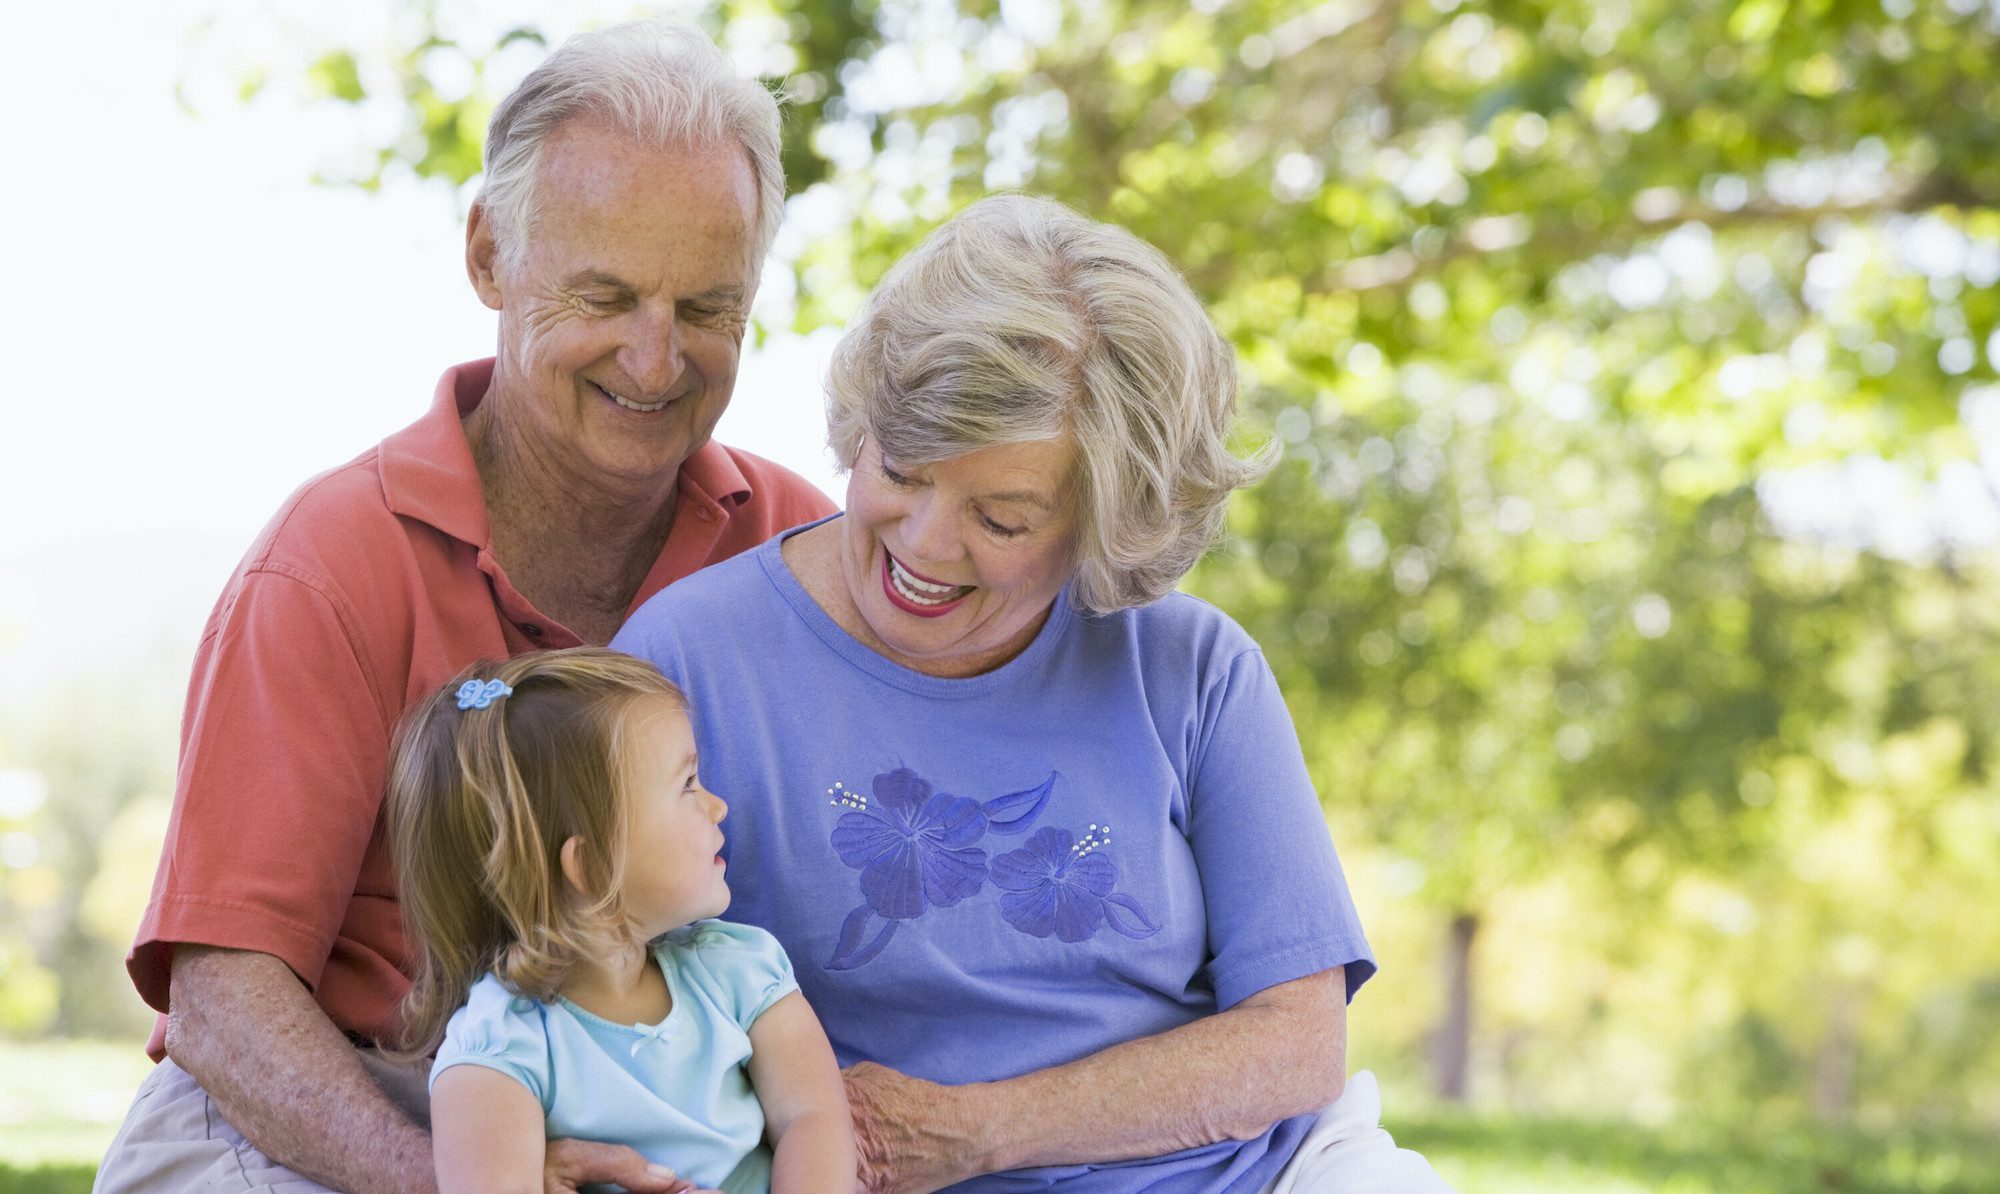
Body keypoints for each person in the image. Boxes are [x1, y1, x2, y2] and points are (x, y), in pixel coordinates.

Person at [95, 21, 834, 1193]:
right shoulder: (330, 564)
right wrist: (456, 1176)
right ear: (491, 256)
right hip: (349, 1106)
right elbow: (221, 994)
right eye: (604, 295)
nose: (655, 362)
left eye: (706, 307)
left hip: (678, 1105)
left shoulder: (800, 547)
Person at [611, 194, 1453, 1192]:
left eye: (1001, 517)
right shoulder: (689, 660)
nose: (924, 543)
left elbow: (1294, 1047)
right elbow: (596, 980)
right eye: (903, 470)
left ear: (1108, 525)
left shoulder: (1188, 670)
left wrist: (980, 1129)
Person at [386, 649, 854, 1193]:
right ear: (591, 866)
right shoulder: (498, 1050)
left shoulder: (741, 970)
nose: (718, 806)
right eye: (688, 785)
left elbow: (815, 1120)